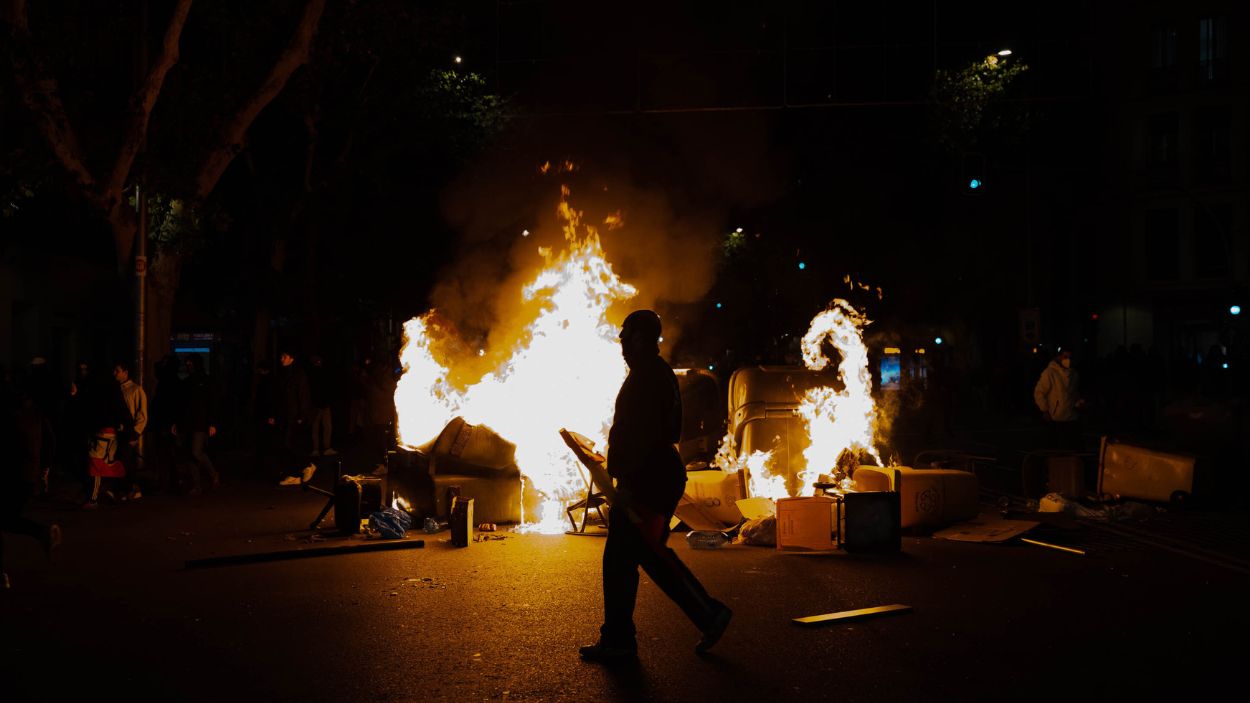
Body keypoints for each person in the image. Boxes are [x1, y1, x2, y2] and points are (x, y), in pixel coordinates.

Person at [579, 310, 732, 663]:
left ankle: (624, 639)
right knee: (645, 555)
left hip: (647, 481)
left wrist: (627, 480)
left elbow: (647, 437)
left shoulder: (648, 377)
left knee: (625, 557)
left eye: (626, 337)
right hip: (652, 476)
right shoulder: (653, 374)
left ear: (642, 339)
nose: (621, 345)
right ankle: (701, 617)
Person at [172, 354, 219, 495]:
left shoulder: (206, 381)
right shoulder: (186, 382)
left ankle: (213, 473)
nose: (188, 366)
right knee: (189, 454)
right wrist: (176, 422)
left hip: (199, 423)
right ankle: (197, 485)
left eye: (190, 363)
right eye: (187, 363)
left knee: (195, 451)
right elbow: (180, 405)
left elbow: (211, 403)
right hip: (187, 423)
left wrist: (212, 423)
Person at [272, 350, 315, 486]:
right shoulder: (282, 375)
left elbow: (303, 395)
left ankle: (302, 469)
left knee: (290, 443)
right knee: (286, 444)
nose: (281, 359)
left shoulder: (298, 375)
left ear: (292, 359)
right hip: (284, 416)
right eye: (281, 356)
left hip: (294, 416)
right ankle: (297, 470)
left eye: (284, 356)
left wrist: (302, 415)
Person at [1033, 347, 1083, 450]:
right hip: (1055, 418)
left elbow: (1074, 394)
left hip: (1071, 417)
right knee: (1055, 449)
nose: (1067, 360)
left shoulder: (1074, 374)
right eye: (1065, 357)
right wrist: (1045, 410)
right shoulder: (1050, 373)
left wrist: (1078, 403)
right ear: (1059, 357)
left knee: (1070, 450)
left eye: (1070, 357)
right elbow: (1039, 392)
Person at [113, 361, 148, 500]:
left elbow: (142, 414)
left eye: (117, 370)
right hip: (118, 432)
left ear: (125, 373)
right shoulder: (117, 389)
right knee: (121, 460)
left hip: (130, 433)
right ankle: (125, 489)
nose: (114, 373)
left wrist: (135, 433)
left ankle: (131, 488)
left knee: (126, 461)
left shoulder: (135, 389)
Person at [307, 355, 336, 457]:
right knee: (320, 427)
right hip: (317, 405)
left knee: (324, 427)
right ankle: (318, 448)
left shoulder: (316, 373)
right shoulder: (314, 373)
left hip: (322, 403)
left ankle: (322, 448)